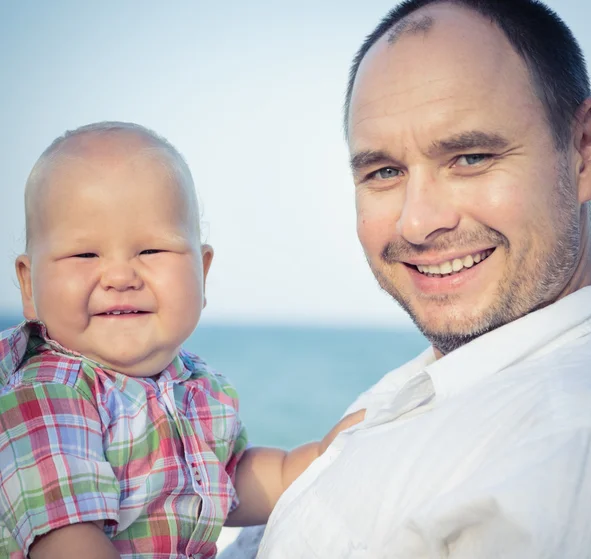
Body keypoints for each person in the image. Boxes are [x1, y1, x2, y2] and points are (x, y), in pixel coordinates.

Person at [252, 0, 591, 557]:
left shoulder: (558, 455)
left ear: (585, 153)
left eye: (470, 157)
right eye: (385, 171)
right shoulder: (445, 379)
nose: (417, 222)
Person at [0, 122, 363, 559]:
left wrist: (312, 461)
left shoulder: (196, 385)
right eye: (84, 254)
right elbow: (68, 543)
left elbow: (231, 479)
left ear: (202, 272)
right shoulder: (48, 397)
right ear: (28, 286)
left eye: (151, 251)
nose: (120, 276)